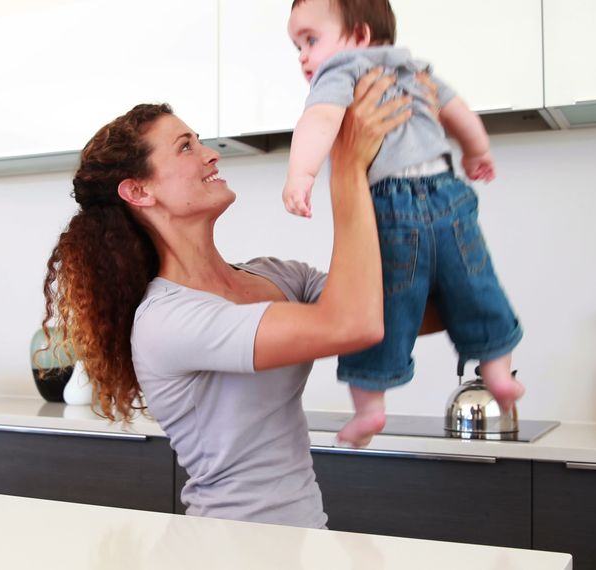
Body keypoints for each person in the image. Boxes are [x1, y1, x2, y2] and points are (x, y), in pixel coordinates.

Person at [39, 68, 417, 528]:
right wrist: (347, 169)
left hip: (304, 535)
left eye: (199, 141)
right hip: (229, 547)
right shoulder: (166, 321)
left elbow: (393, 311)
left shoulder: (278, 276)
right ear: (139, 191)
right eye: (185, 147)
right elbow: (354, 323)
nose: (210, 154)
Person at [282, 0, 524, 447]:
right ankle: (498, 375)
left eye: (310, 40)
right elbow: (458, 112)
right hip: (449, 193)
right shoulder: (415, 68)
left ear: (359, 38)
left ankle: (370, 410)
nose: (302, 55)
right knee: (476, 284)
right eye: (298, 45)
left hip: (393, 206)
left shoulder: (343, 71)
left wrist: (302, 174)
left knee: (384, 306)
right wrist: (477, 152)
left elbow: (318, 121)